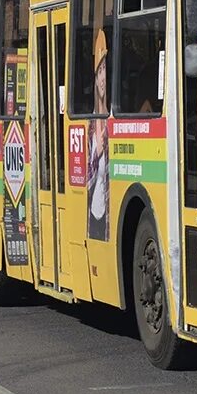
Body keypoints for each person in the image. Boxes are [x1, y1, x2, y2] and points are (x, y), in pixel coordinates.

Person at [87, 29, 110, 241]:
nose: (102, 76)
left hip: (107, 216)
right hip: (93, 215)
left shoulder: (112, 119)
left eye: (104, 69)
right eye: (99, 69)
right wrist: (98, 151)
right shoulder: (92, 124)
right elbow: (85, 177)